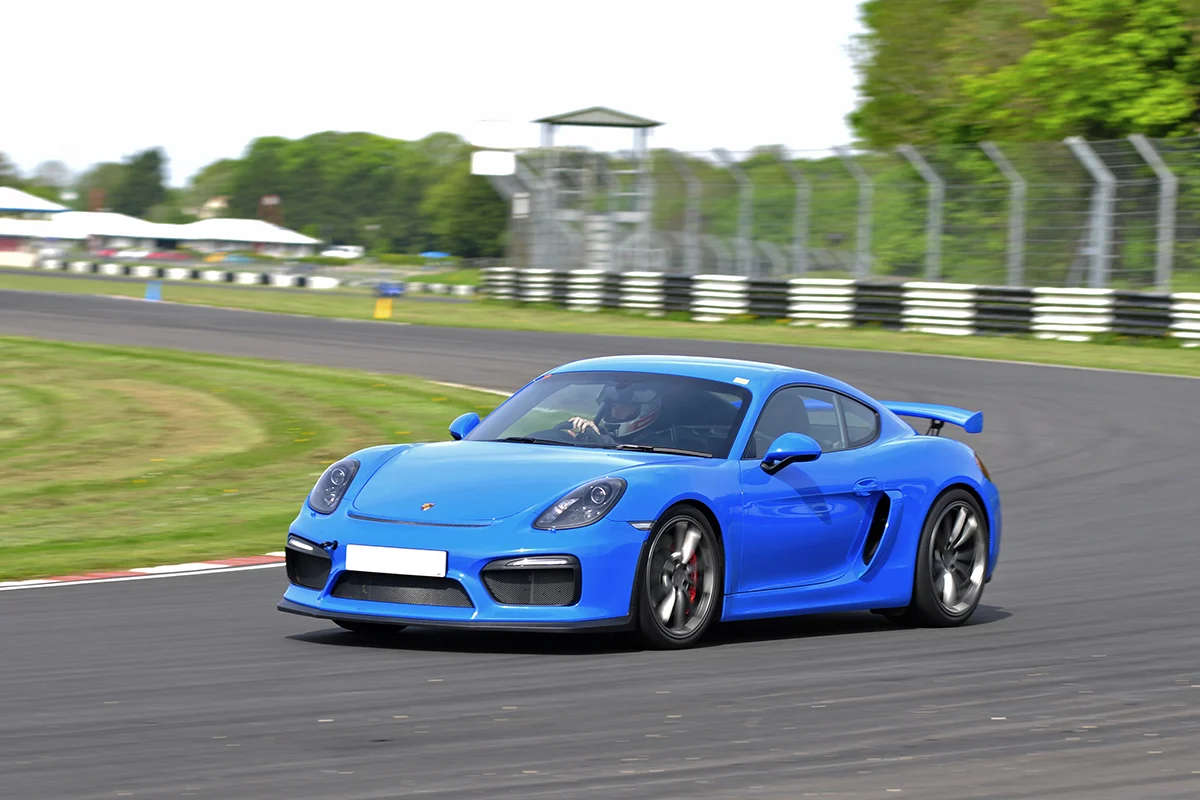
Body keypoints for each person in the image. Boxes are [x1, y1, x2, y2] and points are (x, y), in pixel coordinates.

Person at [562, 382, 663, 445]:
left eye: (624, 406)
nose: (616, 411)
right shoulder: (603, 433)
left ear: (646, 410)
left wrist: (600, 438)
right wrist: (577, 431)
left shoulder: (657, 442)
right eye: (613, 406)